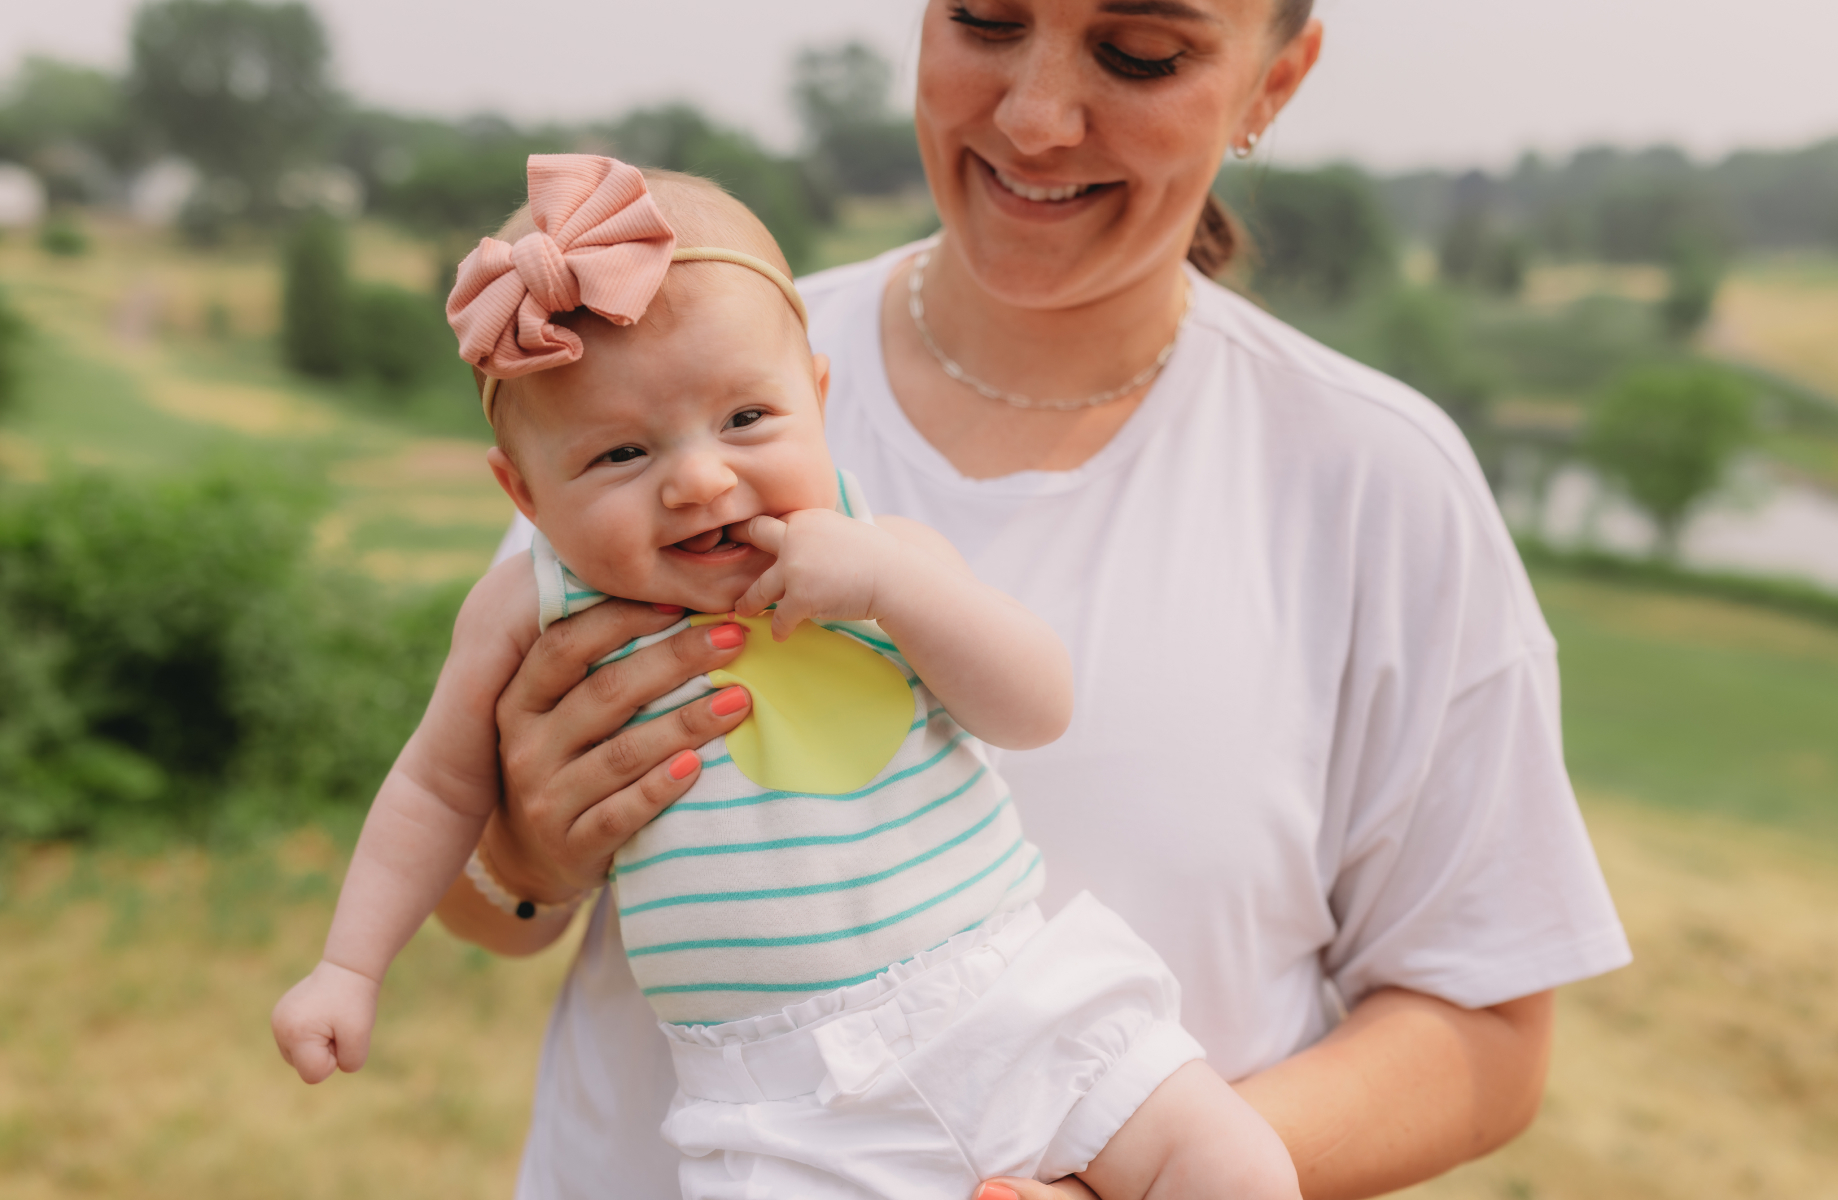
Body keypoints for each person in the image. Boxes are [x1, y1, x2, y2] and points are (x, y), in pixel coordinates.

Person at [439, 2, 1632, 1198]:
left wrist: (1133, 1167)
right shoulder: (664, 378)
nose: (1034, 117)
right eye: (986, 20)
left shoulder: (1377, 479)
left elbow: (1482, 1039)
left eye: (1139, 53)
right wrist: (529, 848)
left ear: (1272, 84)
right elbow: (484, 905)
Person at [274, 156, 1300, 1199]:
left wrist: (896, 587)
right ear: (525, 494)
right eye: (620, 454)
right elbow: (437, 787)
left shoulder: (874, 551)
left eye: (745, 421)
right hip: (776, 1096)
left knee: (1230, 1166)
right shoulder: (527, 610)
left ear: (813, 395)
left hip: (1003, 994)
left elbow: (1035, 708)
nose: (699, 478)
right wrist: (349, 969)